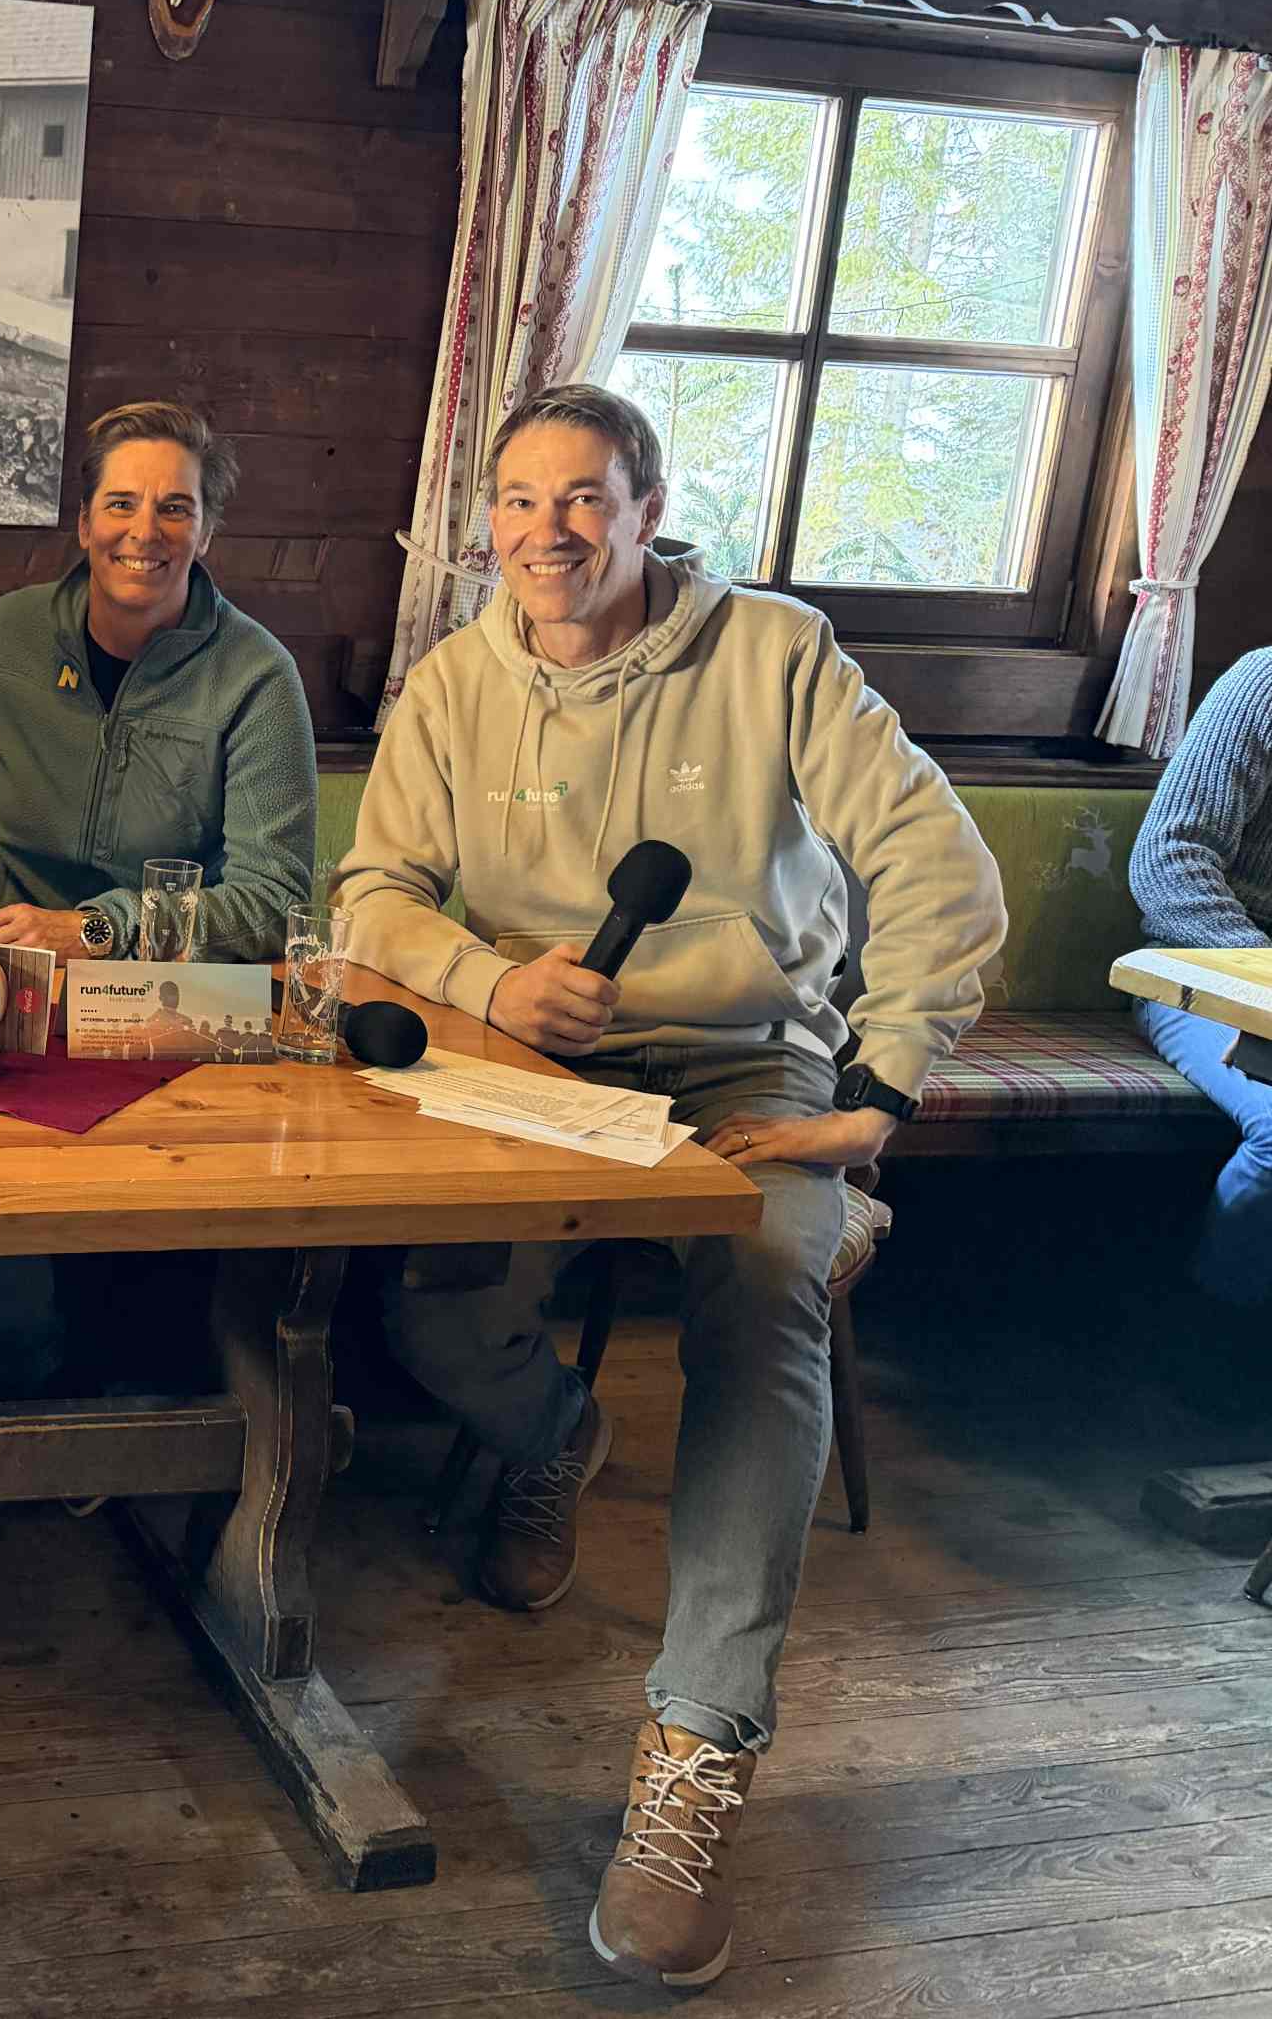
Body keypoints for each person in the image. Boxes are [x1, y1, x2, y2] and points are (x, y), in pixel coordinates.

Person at [334, 381, 1004, 1990]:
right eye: (518, 500)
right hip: (529, 1059)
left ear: (647, 511)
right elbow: (372, 893)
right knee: (429, 1303)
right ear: (486, 523)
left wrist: (878, 1090)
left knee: (768, 1296)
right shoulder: (453, 682)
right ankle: (557, 1433)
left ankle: (697, 1752)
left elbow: (941, 866)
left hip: (745, 1063)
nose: (548, 531)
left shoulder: (775, 654)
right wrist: (494, 982)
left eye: (584, 497)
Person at [0, 399, 316, 1382]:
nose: (145, 531)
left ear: (206, 531)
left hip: (177, 1017)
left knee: (170, 1256)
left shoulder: (257, 677)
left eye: (175, 508)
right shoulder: (9, 638)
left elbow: (274, 900)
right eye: (122, 503)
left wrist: (102, 929)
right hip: (19, 1004)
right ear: (82, 522)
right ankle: (25, 1384)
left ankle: (161, 1396)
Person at [1129, 647, 1272, 1308]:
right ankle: (1212, 1332)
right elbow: (1168, 860)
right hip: (1201, 969)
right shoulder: (1262, 684)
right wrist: (1261, 975)